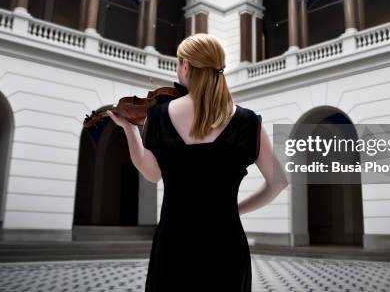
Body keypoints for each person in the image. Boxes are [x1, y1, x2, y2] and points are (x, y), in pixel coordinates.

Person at [107, 33, 289, 291]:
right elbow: (279, 182)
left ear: (186, 66)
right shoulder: (249, 122)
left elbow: (151, 174)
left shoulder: (158, 115)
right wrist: (233, 210)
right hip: (226, 245)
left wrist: (128, 128)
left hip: (173, 244)